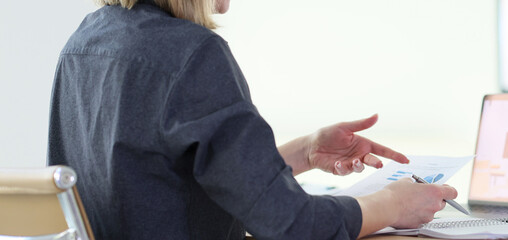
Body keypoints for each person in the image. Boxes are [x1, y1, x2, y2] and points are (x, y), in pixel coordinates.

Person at [47, 0, 458, 239]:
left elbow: (158, 183)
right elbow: (290, 225)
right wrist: (390, 205)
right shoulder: (193, 53)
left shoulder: (85, 41)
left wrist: (304, 152)